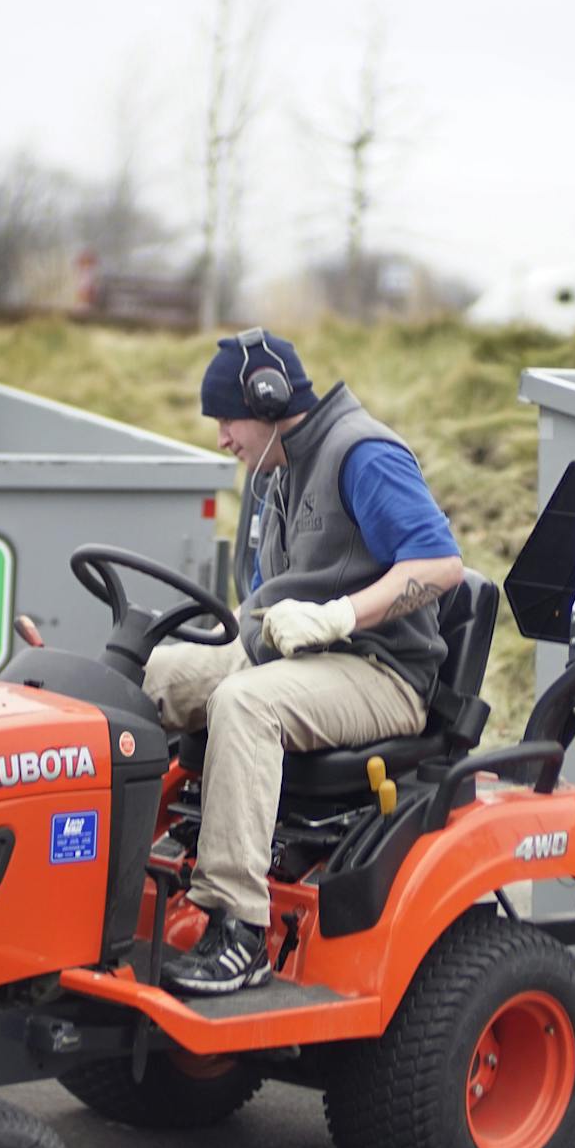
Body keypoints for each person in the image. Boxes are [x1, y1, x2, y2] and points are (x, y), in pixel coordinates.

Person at [145, 328, 463, 995]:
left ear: (266, 401)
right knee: (156, 676)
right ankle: (115, 886)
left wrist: (340, 616)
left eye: (226, 420)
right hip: (295, 655)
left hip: (381, 671)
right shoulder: (274, 471)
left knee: (245, 703)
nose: (222, 438)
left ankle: (237, 928)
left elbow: (441, 565)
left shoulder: (362, 454)